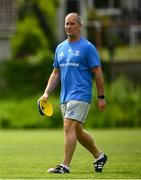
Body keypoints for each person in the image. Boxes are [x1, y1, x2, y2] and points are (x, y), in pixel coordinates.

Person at [38, 12, 107, 174]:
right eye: (66, 23)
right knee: (77, 131)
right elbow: (56, 73)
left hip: (81, 94)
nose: (69, 26)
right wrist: (46, 93)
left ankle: (65, 166)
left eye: (72, 23)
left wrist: (101, 96)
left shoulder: (88, 48)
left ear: (80, 26)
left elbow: (98, 73)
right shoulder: (60, 48)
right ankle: (99, 156)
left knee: (68, 126)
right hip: (65, 96)